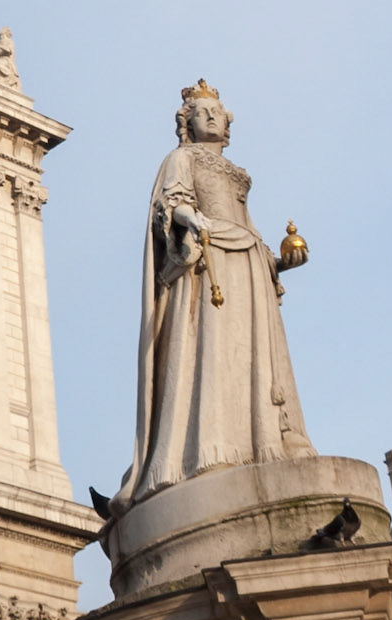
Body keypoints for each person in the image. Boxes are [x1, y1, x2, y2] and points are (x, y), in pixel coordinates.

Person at [111, 81, 312, 512]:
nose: (211, 117)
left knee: (252, 356)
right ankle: (210, 447)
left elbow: (246, 222)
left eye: (217, 112)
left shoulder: (234, 170)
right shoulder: (181, 158)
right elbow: (171, 203)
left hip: (248, 261)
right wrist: (191, 219)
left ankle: (264, 441)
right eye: (202, 113)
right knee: (214, 351)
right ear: (187, 124)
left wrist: (279, 262)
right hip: (209, 259)